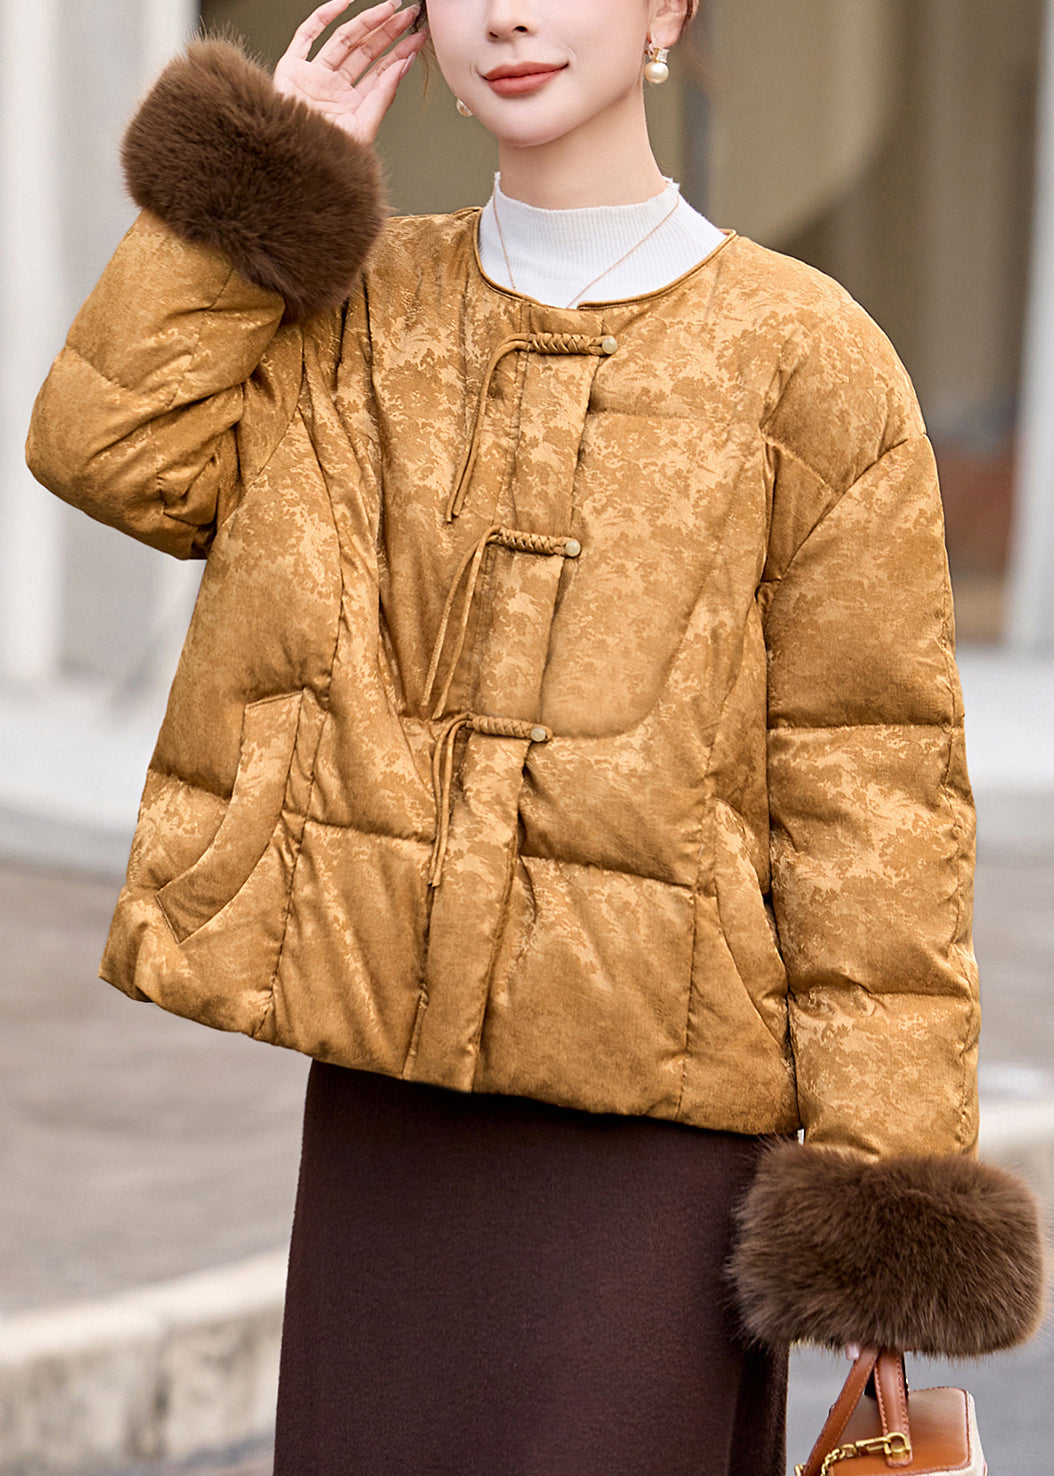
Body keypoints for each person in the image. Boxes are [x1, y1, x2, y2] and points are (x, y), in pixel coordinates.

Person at [26, 2, 1044, 1472]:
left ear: (665, 11)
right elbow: (115, 453)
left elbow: (868, 790)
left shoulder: (804, 359)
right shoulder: (349, 311)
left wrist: (882, 1190)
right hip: (387, 1119)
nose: (507, 13)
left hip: (649, 1156)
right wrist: (259, 194)